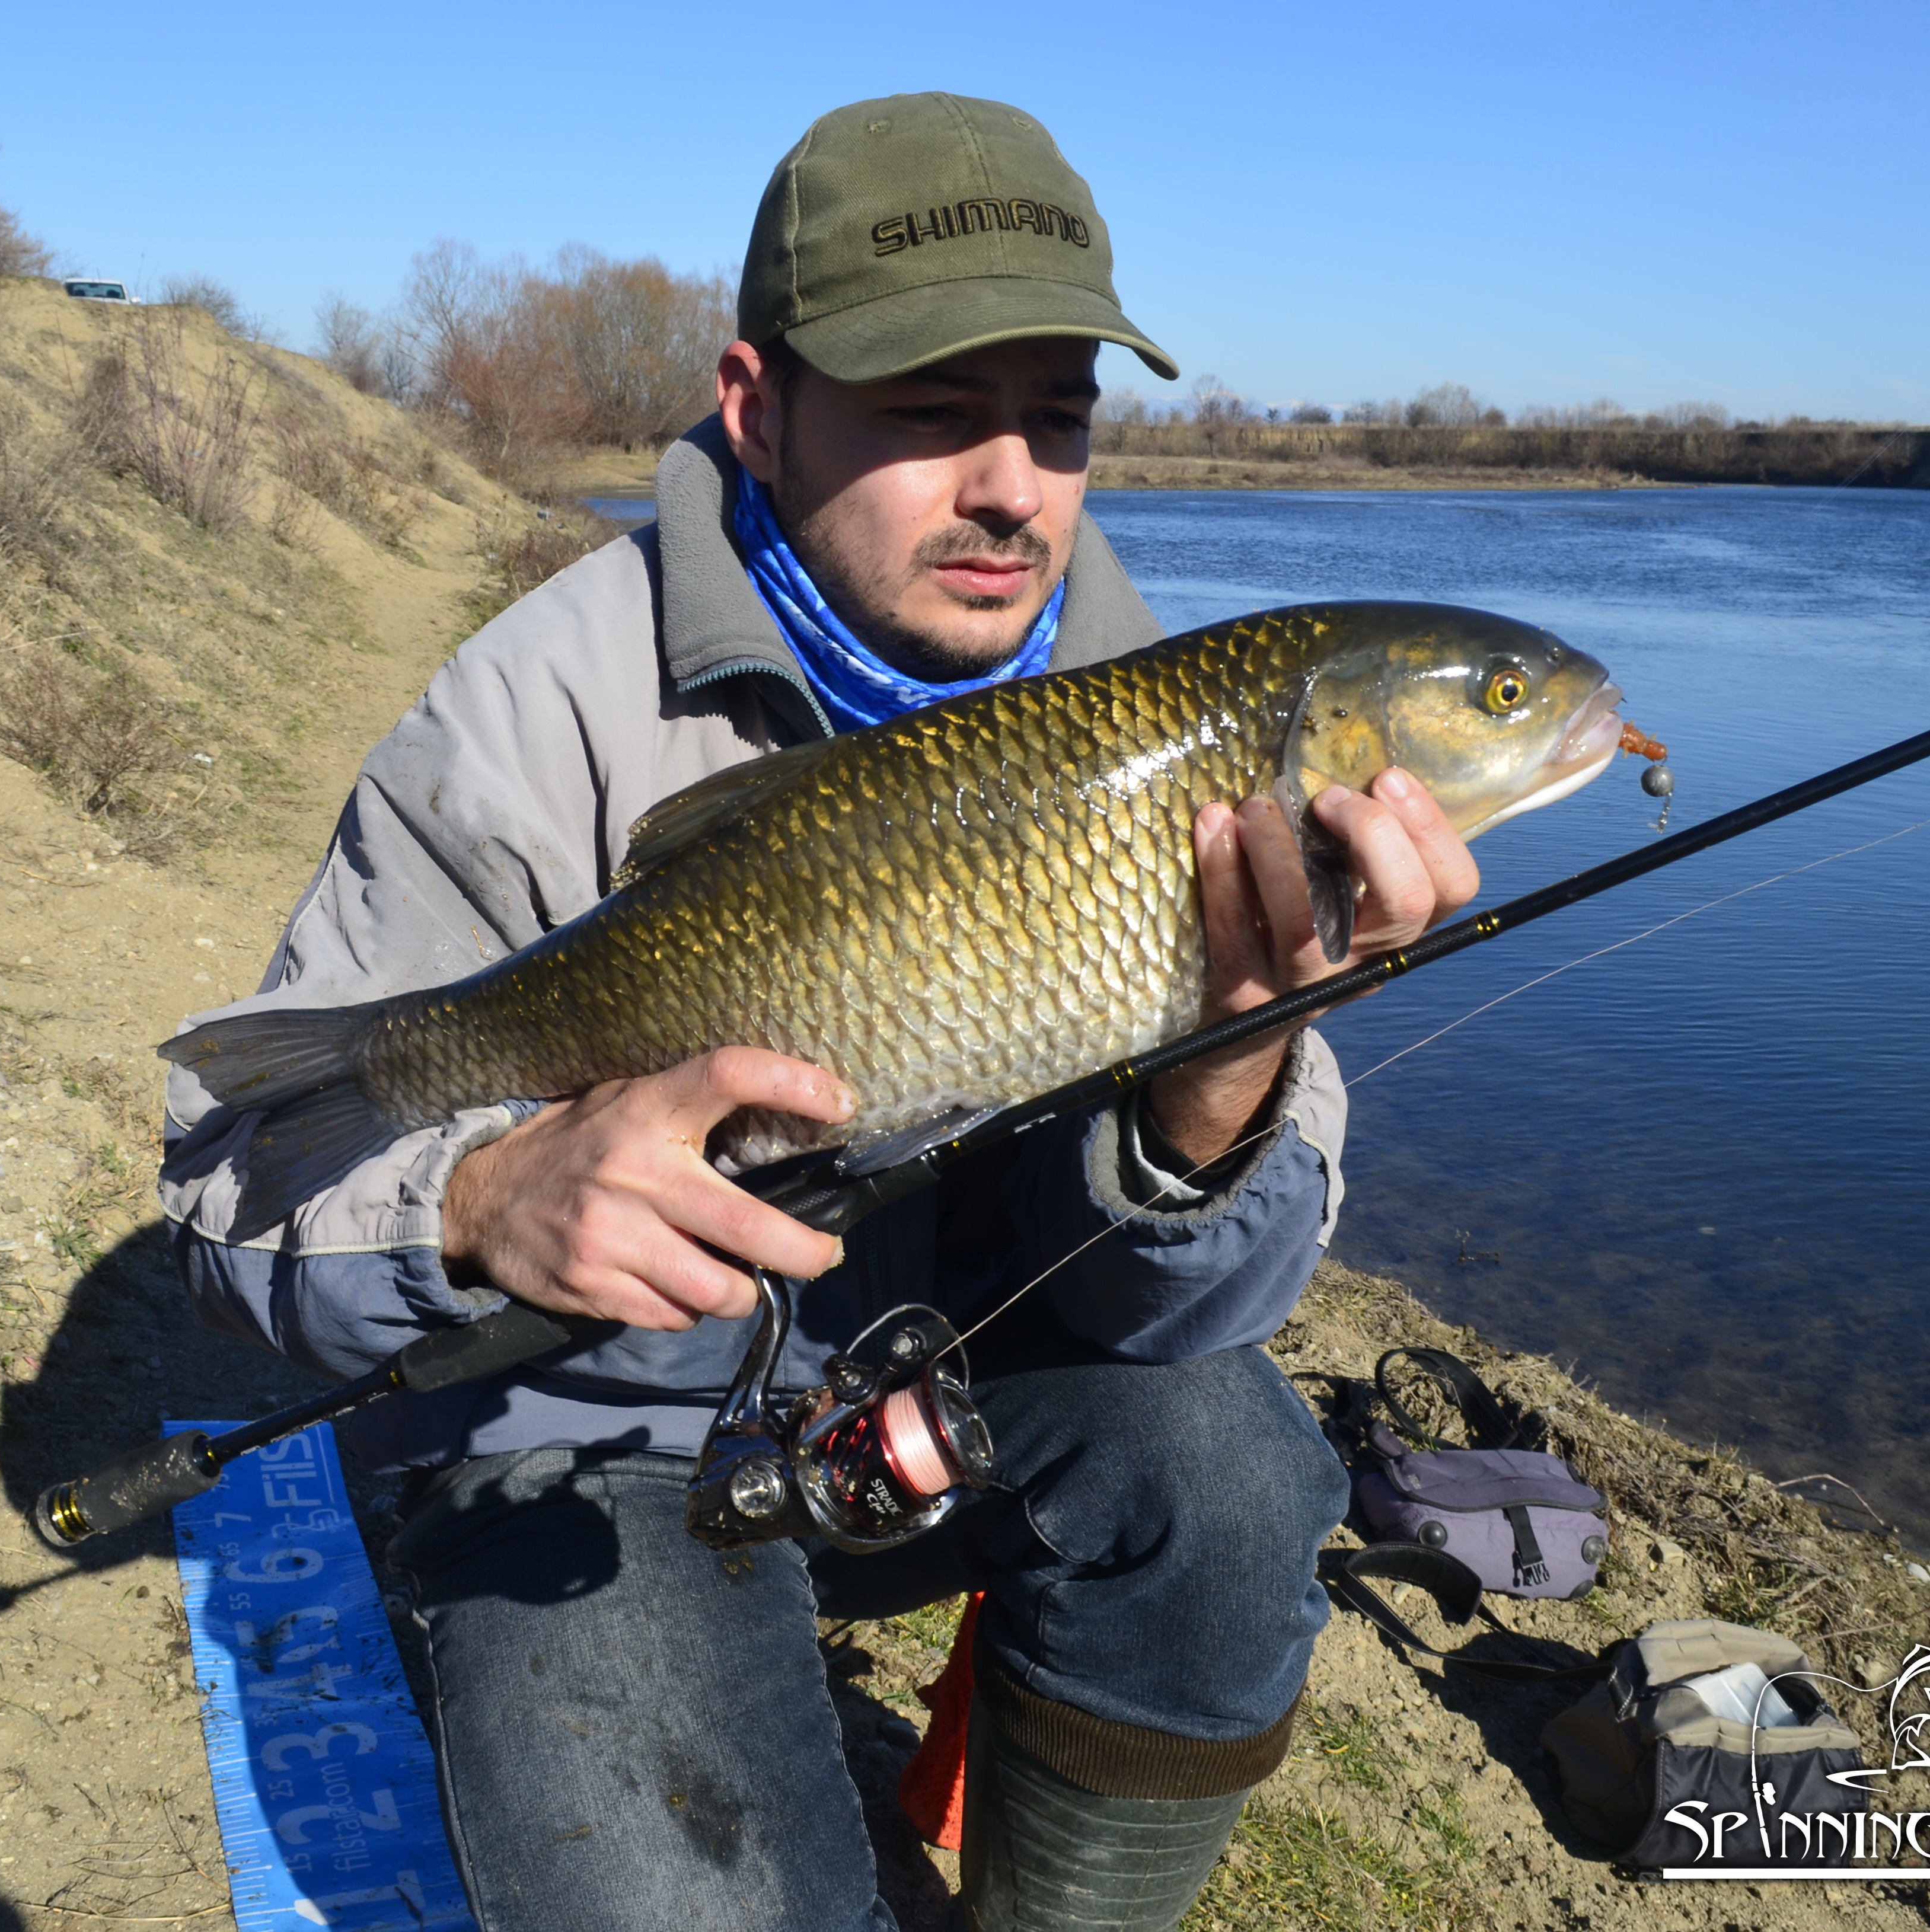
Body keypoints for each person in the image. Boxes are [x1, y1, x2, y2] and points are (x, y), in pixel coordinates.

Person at [160, 92, 1478, 1932]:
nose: (1012, 485)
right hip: (588, 1431)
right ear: (753, 401)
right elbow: (229, 1204)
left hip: (927, 1386)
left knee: (1237, 1475)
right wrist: (477, 1200)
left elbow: (1192, 1307)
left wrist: (1223, 1087)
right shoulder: (530, 715)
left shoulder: (1164, 728)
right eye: (933, 414)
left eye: (1062, 420)